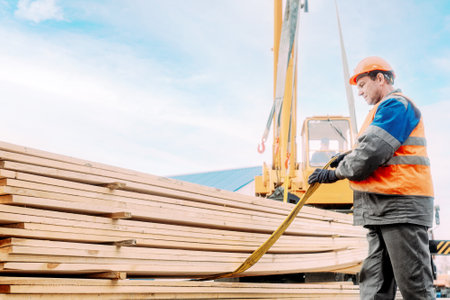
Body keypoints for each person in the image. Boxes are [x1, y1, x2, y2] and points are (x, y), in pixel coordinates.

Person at [308, 56, 435, 299]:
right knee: (374, 286)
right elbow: (373, 149)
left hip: (401, 206)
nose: (359, 92)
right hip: (382, 209)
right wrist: (348, 155)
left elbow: (371, 153)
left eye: (363, 84)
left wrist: (335, 173)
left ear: (380, 79)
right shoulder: (382, 111)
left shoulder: (395, 106)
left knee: (415, 288)